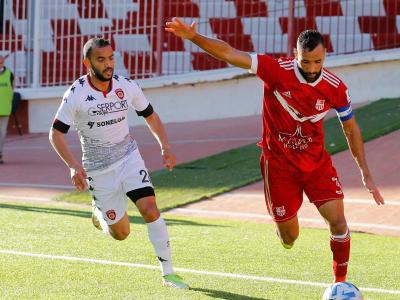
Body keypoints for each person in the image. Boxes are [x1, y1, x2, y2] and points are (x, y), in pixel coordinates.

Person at [166, 18, 385, 283]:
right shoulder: (274, 70)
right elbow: (230, 53)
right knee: (289, 238)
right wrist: (193, 37)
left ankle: (340, 283)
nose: (312, 68)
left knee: (338, 222)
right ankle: (283, 230)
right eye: (306, 62)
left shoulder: (335, 88)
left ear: (325, 55)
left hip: (316, 165)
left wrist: (365, 172)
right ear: (296, 55)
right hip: (279, 167)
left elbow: (351, 129)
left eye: (318, 61)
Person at [49, 38, 189, 289]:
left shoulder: (126, 86)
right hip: (98, 170)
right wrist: (72, 166)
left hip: (128, 158)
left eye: (111, 58)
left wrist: (165, 147)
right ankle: (100, 215)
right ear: (87, 62)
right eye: (101, 59)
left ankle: (168, 273)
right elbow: (55, 133)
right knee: (121, 233)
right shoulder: (76, 93)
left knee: (149, 208)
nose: (108, 64)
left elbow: (150, 115)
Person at [0, 55, 14, 164]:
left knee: (2, 133)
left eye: (1, 62)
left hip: (5, 109)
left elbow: (12, 88)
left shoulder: (9, 74)